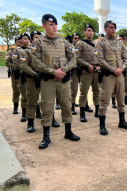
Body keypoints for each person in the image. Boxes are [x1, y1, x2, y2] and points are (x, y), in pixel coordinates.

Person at [32, 14, 80, 149]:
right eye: (51, 25)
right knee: (47, 107)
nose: (54, 27)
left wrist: (63, 70)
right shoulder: (38, 43)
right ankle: (46, 137)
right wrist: (53, 72)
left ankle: (68, 132)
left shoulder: (64, 42)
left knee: (66, 104)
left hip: (63, 80)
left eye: (55, 24)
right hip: (48, 80)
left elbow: (73, 59)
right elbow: (36, 62)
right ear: (44, 26)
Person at [94, 20, 127, 135]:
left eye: (114, 28)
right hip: (108, 75)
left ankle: (122, 121)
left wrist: (121, 68)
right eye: (110, 27)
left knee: (121, 98)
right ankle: (102, 125)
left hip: (120, 75)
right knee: (104, 100)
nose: (113, 30)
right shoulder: (100, 43)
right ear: (105, 29)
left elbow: (126, 59)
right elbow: (99, 59)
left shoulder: (120, 43)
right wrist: (113, 69)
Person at [13, 33, 40, 132]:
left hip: (41, 77)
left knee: (45, 99)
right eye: (25, 39)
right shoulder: (20, 50)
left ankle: (48, 117)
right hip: (26, 76)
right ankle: (28, 119)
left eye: (28, 39)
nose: (27, 40)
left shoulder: (39, 50)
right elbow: (17, 63)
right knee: (27, 97)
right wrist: (30, 72)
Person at [75, 24, 101, 122]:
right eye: (88, 30)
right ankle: (82, 113)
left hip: (96, 71)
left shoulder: (96, 44)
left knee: (97, 91)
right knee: (83, 93)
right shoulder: (80, 44)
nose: (91, 32)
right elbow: (77, 58)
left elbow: (99, 57)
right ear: (84, 32)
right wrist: (87, 65)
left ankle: (97, 110)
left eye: (92, 31)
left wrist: (99, 66)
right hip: (86, 71)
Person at [5, 37, 22, 115]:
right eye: (19, 42)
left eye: (21, 42)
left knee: (27, 92)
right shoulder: (11, 52)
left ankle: (26, 109)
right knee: (16, 91)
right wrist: (16, 66)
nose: (20, 43)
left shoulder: (27, 51)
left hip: (26, 74)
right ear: (15, 42)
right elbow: (7, 62)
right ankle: (15, 107)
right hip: (15, 74)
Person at [111, 34, 125, 109]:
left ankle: (122, 102)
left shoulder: (124, 48)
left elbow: (126, 59)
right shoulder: (113, 48)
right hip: (114, 70)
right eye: (119, 39)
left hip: (122, 70)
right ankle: (113, 101)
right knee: (113, 88)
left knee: (122, 88)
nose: (120, 40)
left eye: (121, 39)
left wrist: (122, 68)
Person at [70, 32, 81, 115]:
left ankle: (85, 105)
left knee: (84, 89)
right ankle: (72, 106)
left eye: (78, 38)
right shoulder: (70, 47)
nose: (77, 40)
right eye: (75, 38)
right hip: (74, 71)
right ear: (72, 39)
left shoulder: (82, 45)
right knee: (74, 90)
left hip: (83, 70)